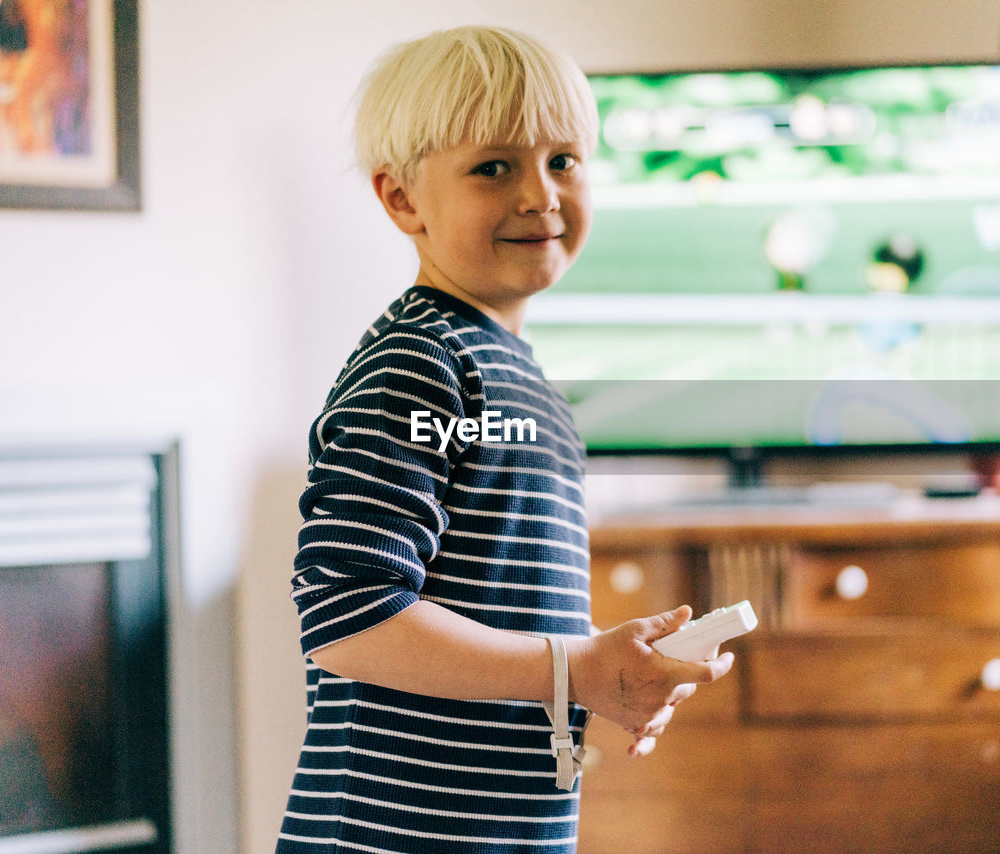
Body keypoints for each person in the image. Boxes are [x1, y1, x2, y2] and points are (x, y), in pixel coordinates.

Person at [275, 25, 735, 854]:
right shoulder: (421, 363)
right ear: (403, 199)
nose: (541, 195)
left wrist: (603, 676)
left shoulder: (523, 381)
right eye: (494, 167)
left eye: (563, 160)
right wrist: (573, 664)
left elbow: (506, 625)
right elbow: (348, 614)